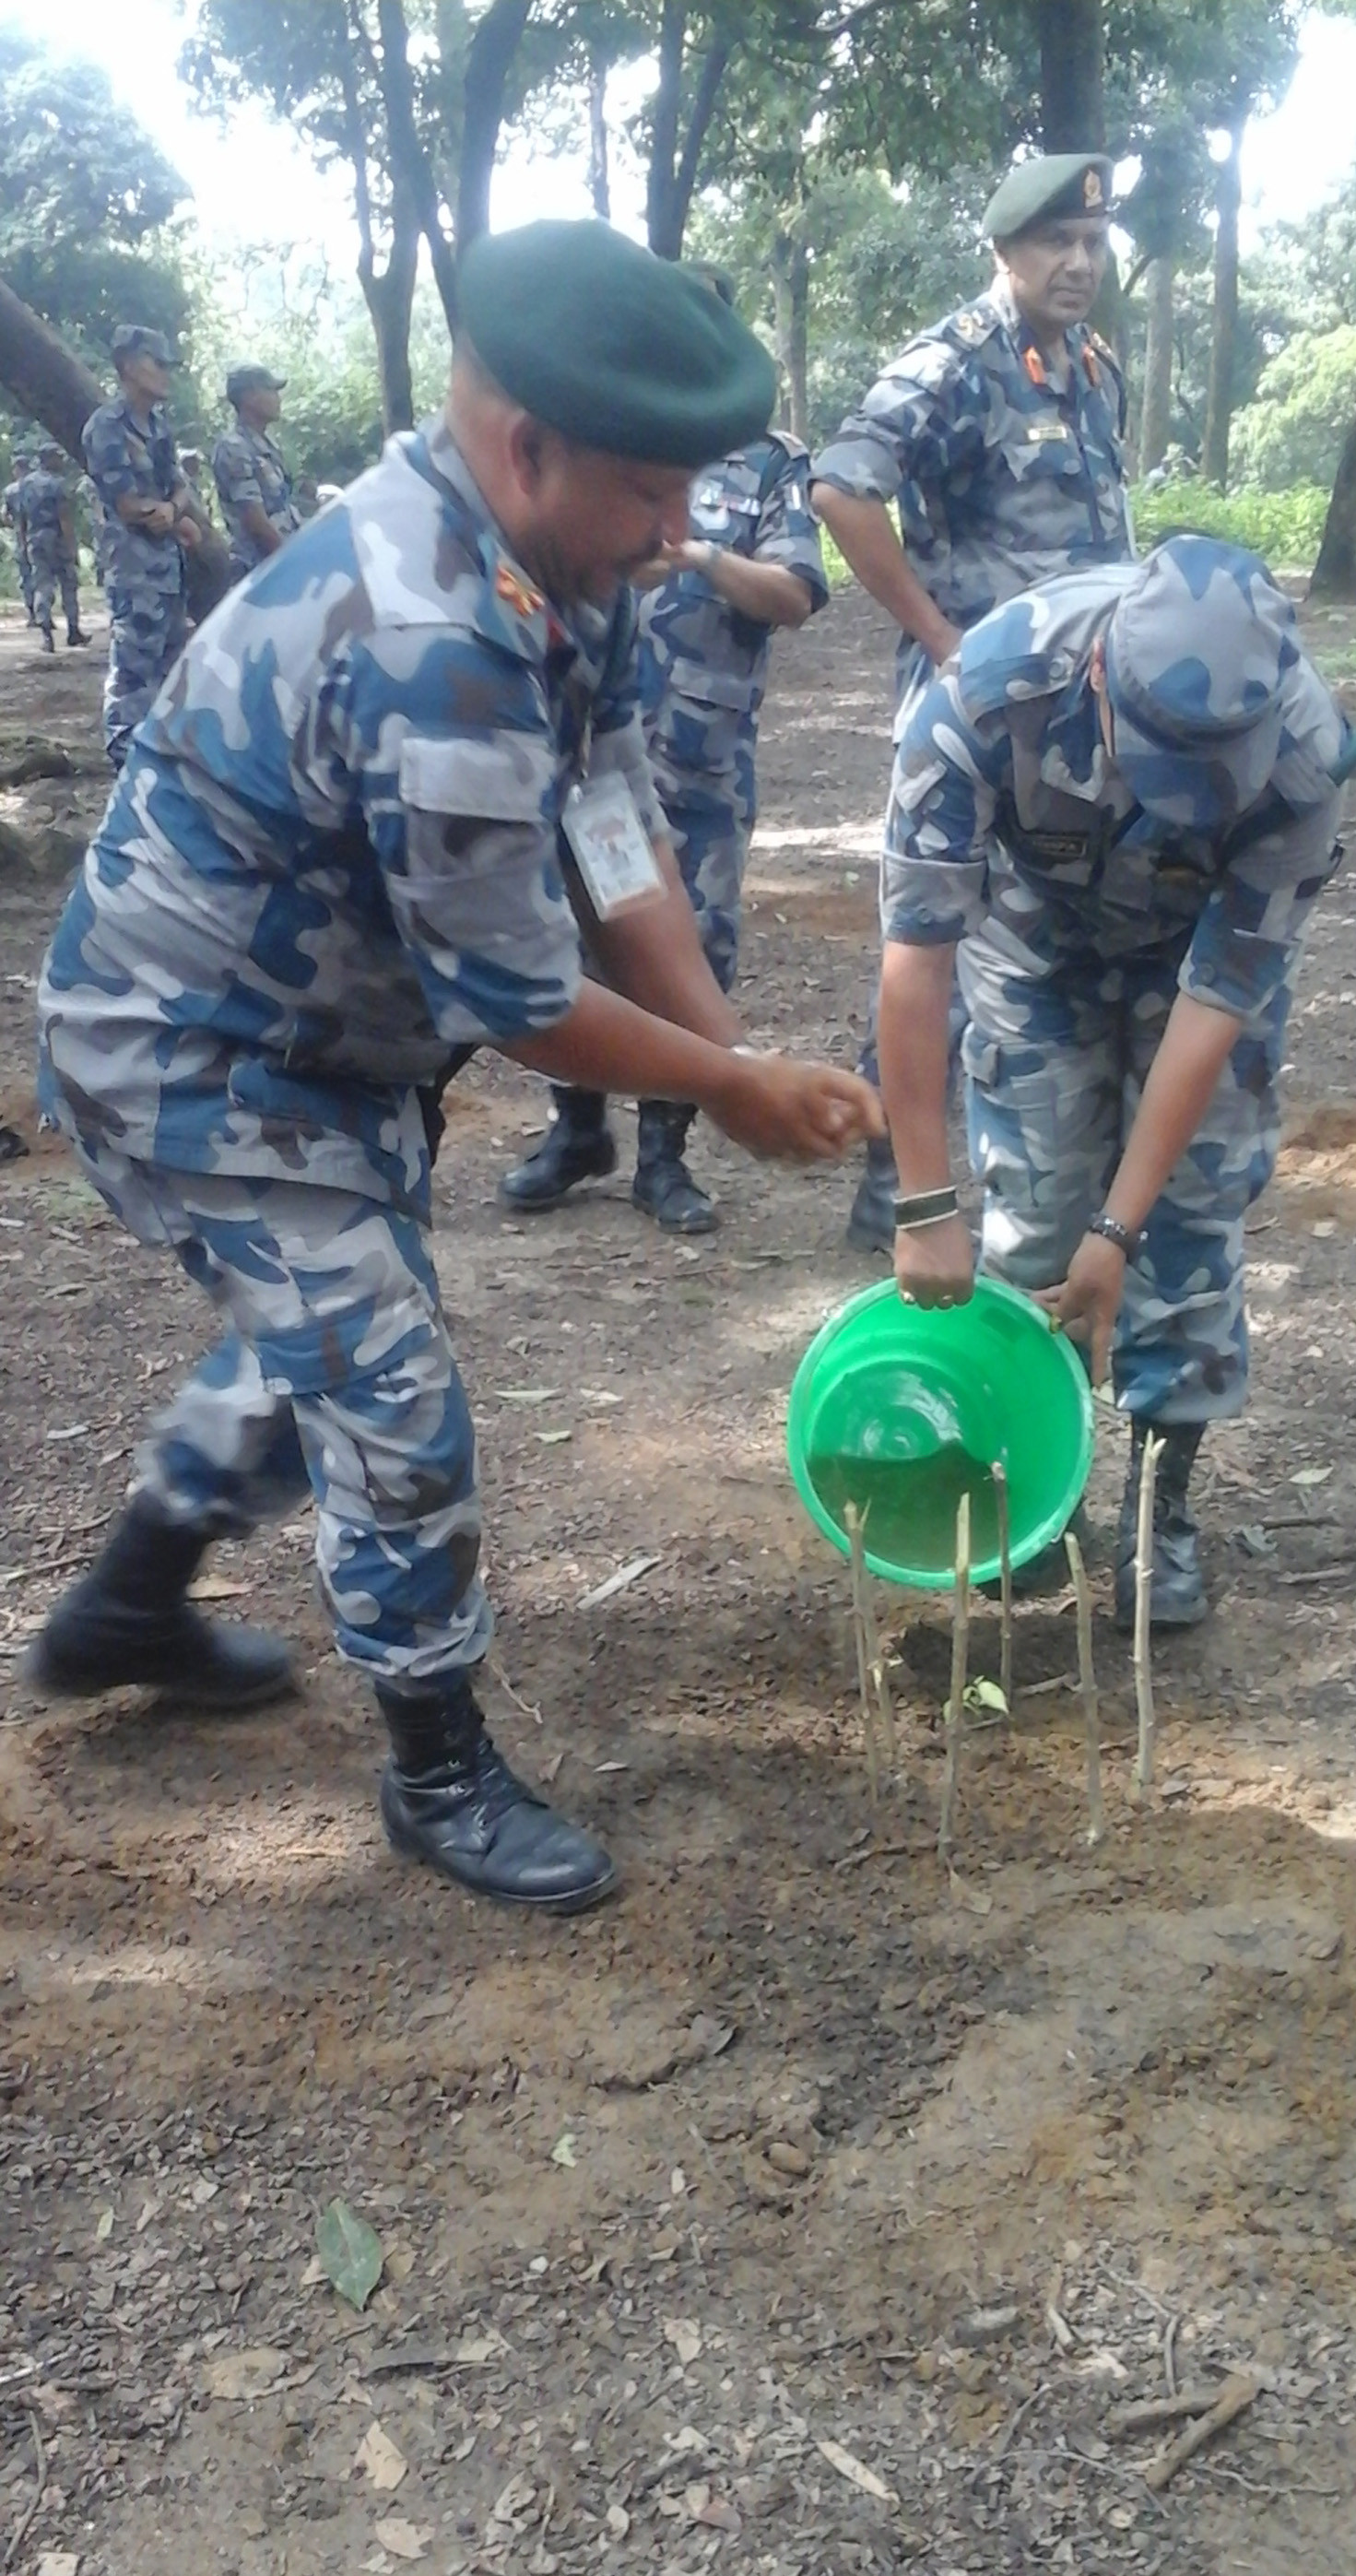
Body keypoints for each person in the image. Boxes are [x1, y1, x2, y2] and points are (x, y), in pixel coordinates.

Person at [31, 219, 882, 1917]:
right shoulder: (440, 634)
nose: (682, 536)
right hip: (186, 1047)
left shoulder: (570, 568)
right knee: (391, 1385)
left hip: (319, 1044)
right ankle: (437, 1766)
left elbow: (616, 825)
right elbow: (515, 992)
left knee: (328, 1330)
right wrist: (724, 1091)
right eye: (653, 494)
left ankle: (127, 1604)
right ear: (523, 445)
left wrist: (727, 1050)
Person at [876, 536, 1356, 1628]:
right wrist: (924, 1204)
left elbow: (1217, 1002)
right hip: (1034, 937)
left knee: (1188, 1209)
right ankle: (1028, 1491)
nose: (1186, 803)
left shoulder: (1305, 759)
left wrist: (1125, 1228)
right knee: (1037, 1225)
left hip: (1193, 957)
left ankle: (1159, 1509)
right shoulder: (979, 702)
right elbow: (915, 970)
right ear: (1098, 680)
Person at [813, 152, 1134, 1251]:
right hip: (978, 725)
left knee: (1043, 935)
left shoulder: (1093, 367)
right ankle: (891, 1173)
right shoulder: (951, 364)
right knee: (937, 938)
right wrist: (945, 642)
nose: (1079, 261)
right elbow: (842, 488)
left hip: (1083, 722)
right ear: (1005, 250)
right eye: (1057, 242)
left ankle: (1036, 1161)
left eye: (1092, 242)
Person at [501, 266, 829, 1236]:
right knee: (574, 936)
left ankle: (663, 1155)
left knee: (689, 941)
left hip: (697, 761)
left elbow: (798, 594)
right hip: (582, 765)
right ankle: (577, 1132)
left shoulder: (769, 466)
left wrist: (699, 559)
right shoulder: (578, 463)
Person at [81, 324, 207, 765]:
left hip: (168, 570)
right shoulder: (107, 427)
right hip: (134, 571)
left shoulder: (158, 427)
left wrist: (172, 512)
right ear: (130, 367)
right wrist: (170, 515)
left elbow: (181, 488)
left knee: (169, 667)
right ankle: (126, 764)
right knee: (134, 673)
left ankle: (160, 760)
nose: (167, 372)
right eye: (159, 363)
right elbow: (128, 504)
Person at [212, 363, 302, 580]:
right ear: (249, 397)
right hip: (262, 571)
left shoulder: (267, 444)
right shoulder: (234, 448)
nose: (277, 398)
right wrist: (294, 562)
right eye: (270, 390)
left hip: (280, 561)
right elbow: (255, 520)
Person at [18, 443, 90, 652]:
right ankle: (73, 630)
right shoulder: (58, 484)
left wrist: (24, 543)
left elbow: (21, 518)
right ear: (48, 459)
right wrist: (71, 548)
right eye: (57, 457)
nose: (61, 461)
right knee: (68, 583)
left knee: (42, 584)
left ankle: (46, 635)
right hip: (56, 537)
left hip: (35, 538)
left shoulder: (25, 484)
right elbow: (64, 518)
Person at [3, 447, 37, 626]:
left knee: (26, 576)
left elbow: (4, 517)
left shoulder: (11, 491)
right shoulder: (37, 485)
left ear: (16, 469)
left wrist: (15, 524)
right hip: (43, 535)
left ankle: (32, 615)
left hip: (20, 537)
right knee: (43, 575)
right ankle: (45, 614)